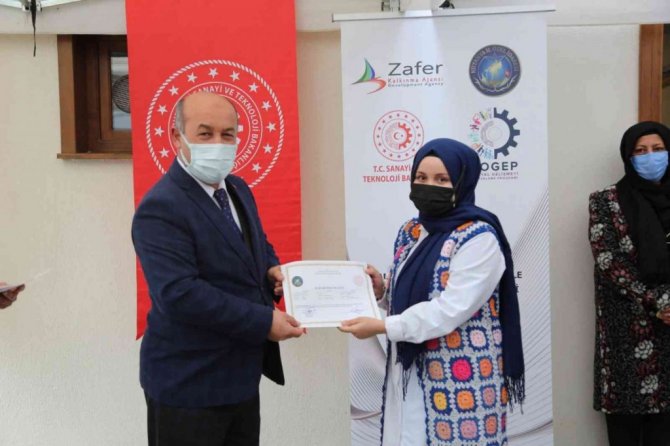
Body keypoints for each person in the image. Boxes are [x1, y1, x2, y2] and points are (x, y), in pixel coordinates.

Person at [131, 91, 304, 446]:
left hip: (240, 378)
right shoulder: (161, 207)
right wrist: (264, 322)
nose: (218, 144)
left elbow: (254, 244)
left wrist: (271, 269)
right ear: (177, 137)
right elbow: (180, 294)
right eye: (205, 133)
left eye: (228, 135)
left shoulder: (237, 188)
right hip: (188, 383)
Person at [339, 138, 525, 445]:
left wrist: (384, 326)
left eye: (441, 180)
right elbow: (410, 293)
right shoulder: (411, 231)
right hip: (410, 370)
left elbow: (449, 309)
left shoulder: (479, 238)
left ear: (462, 183)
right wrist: (382, 290)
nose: (428, 186)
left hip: (461, 378)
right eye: (421, 177)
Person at [589, 121, 670, 446]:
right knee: (624, 432)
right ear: (628, 156)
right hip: (626, 334)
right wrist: (660, 302)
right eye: (640, 151)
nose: (650, 157)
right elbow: (609, 260)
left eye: (658, 149)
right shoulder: (605, 201)